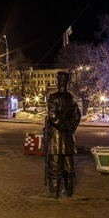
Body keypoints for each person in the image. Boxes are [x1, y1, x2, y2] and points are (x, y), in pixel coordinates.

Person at [45, 71, 81, 199]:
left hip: (56, 137)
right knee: (68, 166)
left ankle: (54, 193)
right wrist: (70, 128)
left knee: (55, 166)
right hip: (68, 137)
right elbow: (77, 115)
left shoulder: (53, 97)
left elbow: (52, 116)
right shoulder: (71, 98)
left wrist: (62, 127)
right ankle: (69, 192)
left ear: (57, 81)